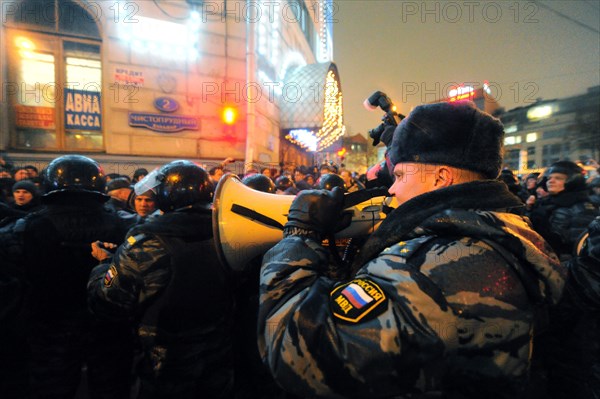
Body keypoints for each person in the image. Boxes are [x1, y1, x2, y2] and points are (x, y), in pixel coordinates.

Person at [257, 101, 566, 398]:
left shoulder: (429, 269)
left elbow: (294, 352)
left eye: (401, 175)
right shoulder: (495, 231)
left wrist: (298, 238)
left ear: (440, 177)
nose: (392, 188)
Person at [88, 160, 235, 398]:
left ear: (166, 195)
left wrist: (104, 266)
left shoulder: (150, 239)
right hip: (219, 349)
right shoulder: (228, 231)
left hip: (165, 356)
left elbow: (109, 298)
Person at [0, 154, 136, 398]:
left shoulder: (25, 227)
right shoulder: (124, 225)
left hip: (49, 326)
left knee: (51, 388)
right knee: (110, 388)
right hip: (107, 327)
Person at [529, 160, 599, 261]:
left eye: (558, 178)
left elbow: (580, 250)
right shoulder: (546, 203)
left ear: (574, 181)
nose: (551, 181)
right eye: (549, 178)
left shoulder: (583, 209)